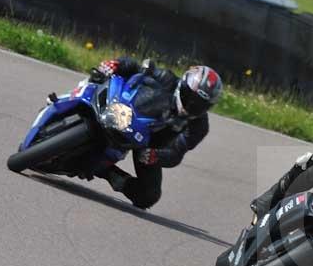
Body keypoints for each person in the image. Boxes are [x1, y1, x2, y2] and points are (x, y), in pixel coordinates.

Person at [87, 57, 223, 209]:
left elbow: (176, 152)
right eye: (189, 97)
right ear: (182, 85)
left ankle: (107, 172)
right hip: (125, 113)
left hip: (148, 146)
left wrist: (156, 156)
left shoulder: (199, 126)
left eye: (199, 105)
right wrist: (116, 64)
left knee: (148, 196)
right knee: (98, 80)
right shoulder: (167, 78)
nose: (191, 105)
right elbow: (137, 67)